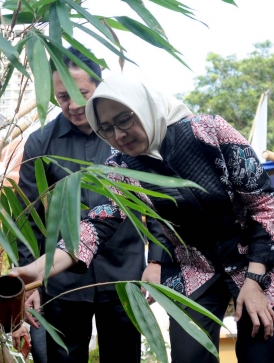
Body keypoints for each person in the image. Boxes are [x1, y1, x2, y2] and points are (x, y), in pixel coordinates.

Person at [11, 74, 274, 363]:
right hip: (195, 268)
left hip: (259, 258)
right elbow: (96, 225)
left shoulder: (209, 131)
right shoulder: (122, 166)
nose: (118, 135)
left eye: (124, 120)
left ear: (143, 107)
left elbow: (264, 205)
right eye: (107, 129)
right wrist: (38, 270)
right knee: (189, 355)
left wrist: (254, 280)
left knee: (261, 351)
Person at [13, 49, 166, 363]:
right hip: (62, 278)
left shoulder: (127, 137)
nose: (73, 105)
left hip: (123, 272)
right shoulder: (39, 144)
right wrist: (32, 283)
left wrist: (158, 258)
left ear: (99, 86)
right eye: (61, 97)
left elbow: (155, 200)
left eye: (80, 94)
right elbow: (26, 217)